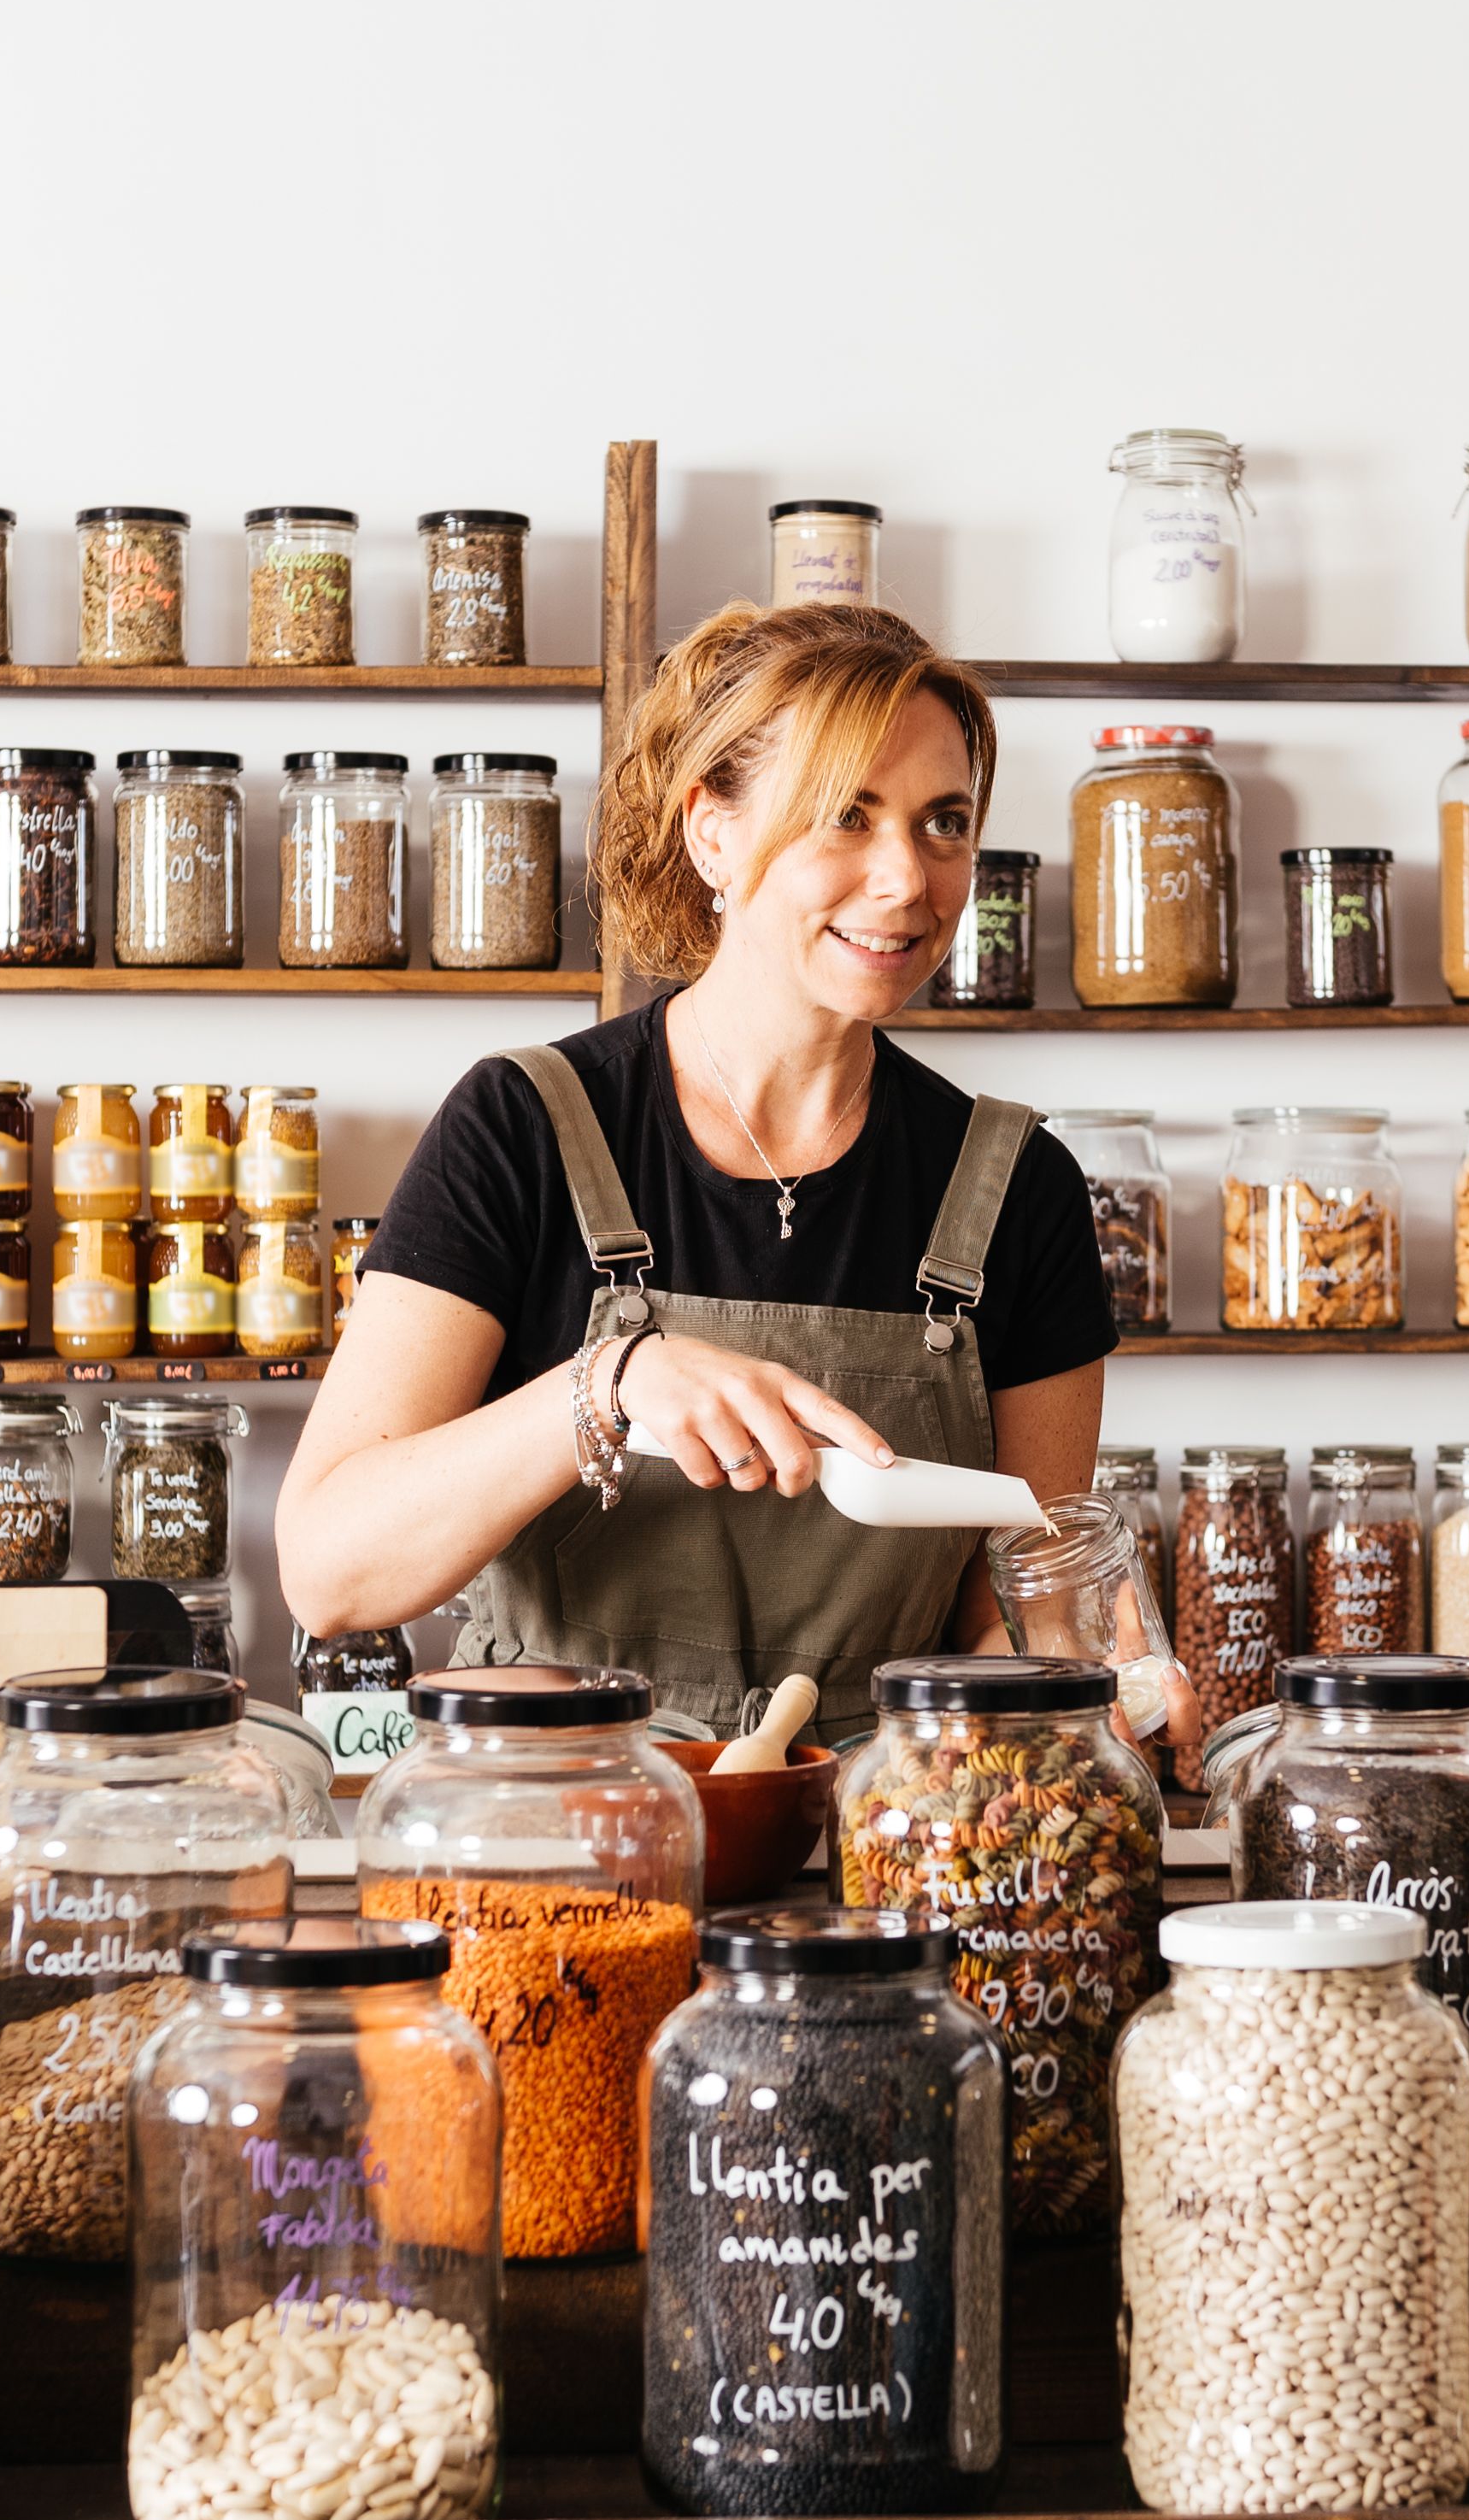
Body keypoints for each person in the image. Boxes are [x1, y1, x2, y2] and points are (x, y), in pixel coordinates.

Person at [280, 602, 1111, 1739]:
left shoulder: (1020, 1185)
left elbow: (1009, 1602)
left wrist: (1078, 1669)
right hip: (557, 1814)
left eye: (942, 821)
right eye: (843, 815)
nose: (904, 879)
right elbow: (331, 1571)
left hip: (881, 1829)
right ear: (709, 830)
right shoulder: (524, 1124)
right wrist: (603, 1389)